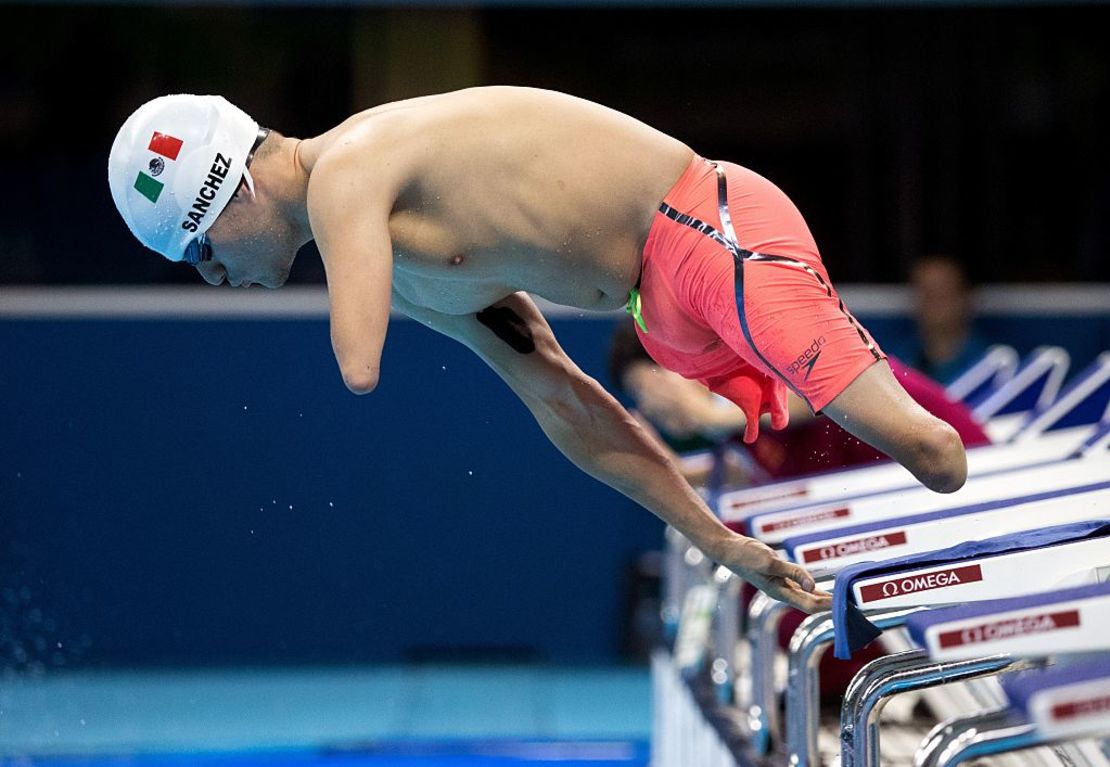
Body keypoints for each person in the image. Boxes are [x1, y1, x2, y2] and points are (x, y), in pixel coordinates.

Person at [108, 87, 968, 614]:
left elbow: (358, 367)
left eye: (201, 254)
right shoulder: (403, 271)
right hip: (658, 311)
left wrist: (345, 256)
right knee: (868, 443)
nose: (217, 279)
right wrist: (717, 540)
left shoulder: (349, 171)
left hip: (711, 231)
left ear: (234, 191)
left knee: (935, 455)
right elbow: (563, 399)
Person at [608, 319, 991, 481]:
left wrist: (703, 414)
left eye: (651, 388)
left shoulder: (773, 363)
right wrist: (677, 469)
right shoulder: (737, 412)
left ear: (685, 359)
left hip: (973, 480)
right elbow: (757, 466)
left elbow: (813, 396)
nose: (653, 406)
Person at [887, 254, 991, 385]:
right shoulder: (896, 364)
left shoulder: (990, 363)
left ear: (965, 297)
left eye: (944, 291)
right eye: (926, 292)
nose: (934, 301)